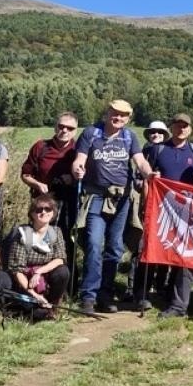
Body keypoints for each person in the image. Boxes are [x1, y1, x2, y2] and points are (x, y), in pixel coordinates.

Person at [71, 100, 153, 314]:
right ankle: (88, 296)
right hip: (96, 197)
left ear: (128, 119)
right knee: (93, 243)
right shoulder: (91, 133)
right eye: (115, 113)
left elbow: (140, 161)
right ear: (107, 113)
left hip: (122, 199)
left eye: (123, 116)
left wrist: (149, 174)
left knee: (115, 247)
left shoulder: (129, 137)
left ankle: (105, 295)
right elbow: (79, 159)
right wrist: (77, 169)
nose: (118, 118)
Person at [150, 113, 193, 317]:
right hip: (162, 209)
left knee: (184, 256)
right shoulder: (159, 149)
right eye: (178, 125)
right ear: (171, 127)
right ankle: (148, 294)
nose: (181, 129)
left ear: (190, 129)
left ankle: (178, 304)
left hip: (187, 211)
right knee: (161, 251)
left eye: (185, 126)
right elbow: (148, 178)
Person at [18, 112, 82, 278]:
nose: (64, 130)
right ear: (55, 127)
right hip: (42, 203)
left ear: (75, 130)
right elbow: (25, 174)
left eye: (70, 128)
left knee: (66, 239)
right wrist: (38, 184)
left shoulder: (79, 150)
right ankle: (37, 277)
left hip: (68, 202)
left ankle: (67, 281)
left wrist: (73, 179)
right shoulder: (41, 147)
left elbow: (86, 175)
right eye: (61, 126)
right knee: (39, 238)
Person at [4, 194, 71, 317]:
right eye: (39, 210)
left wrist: (39, 272)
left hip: (44, 274)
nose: (43, 212)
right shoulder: (23, 233)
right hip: (25, 279)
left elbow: (60, 259)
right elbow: (16, 269)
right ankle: (37, 305)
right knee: (37, 314)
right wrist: (32, 293)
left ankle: (52, 304)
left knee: (63, 272)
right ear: (32, 214)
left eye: (48, 209)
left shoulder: (56, 231)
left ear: (53, 213)